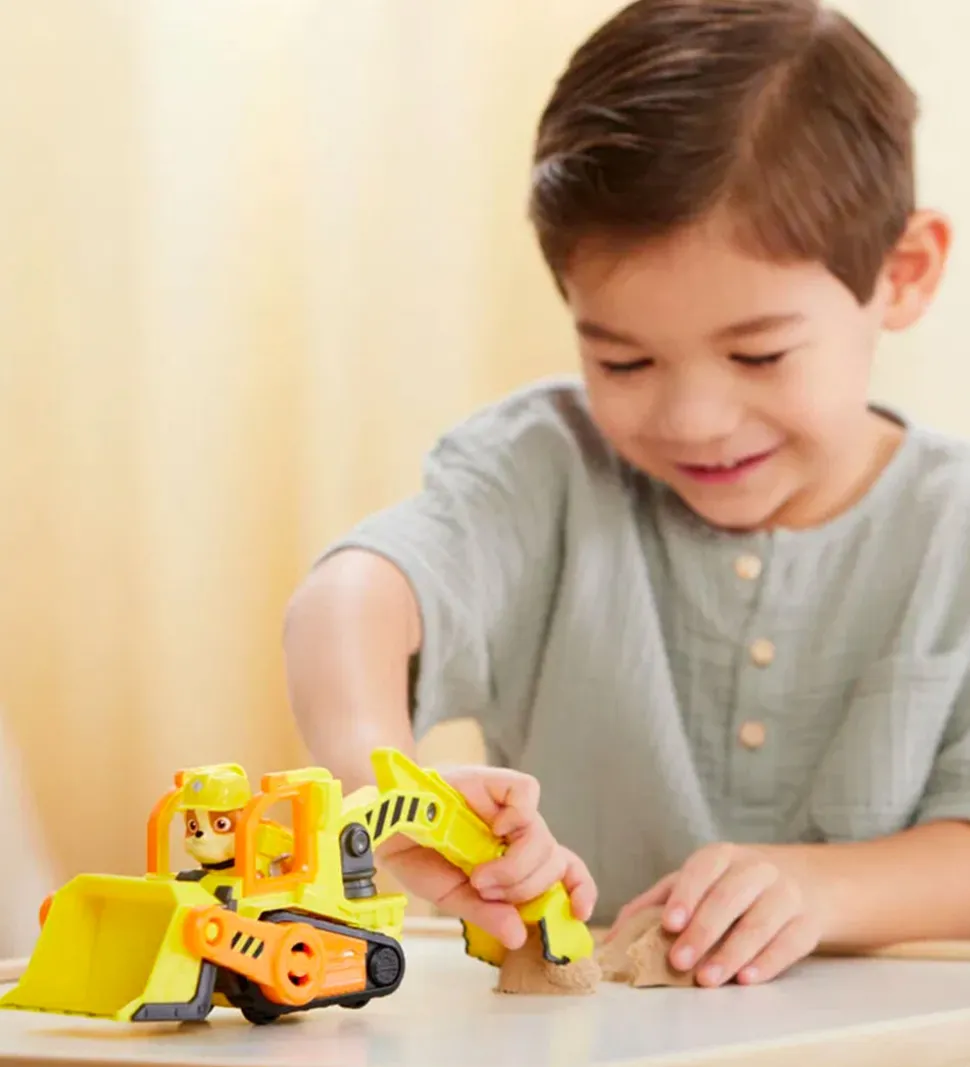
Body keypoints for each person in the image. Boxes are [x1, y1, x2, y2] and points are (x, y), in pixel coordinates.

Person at [283, 0, 970, 989]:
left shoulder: (952, 529)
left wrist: (823, 887)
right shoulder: (542, 470)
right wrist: (386, 792)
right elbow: (350, 596)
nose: (693, 419)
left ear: (902, 273)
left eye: (758, 354)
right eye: (625, 360)